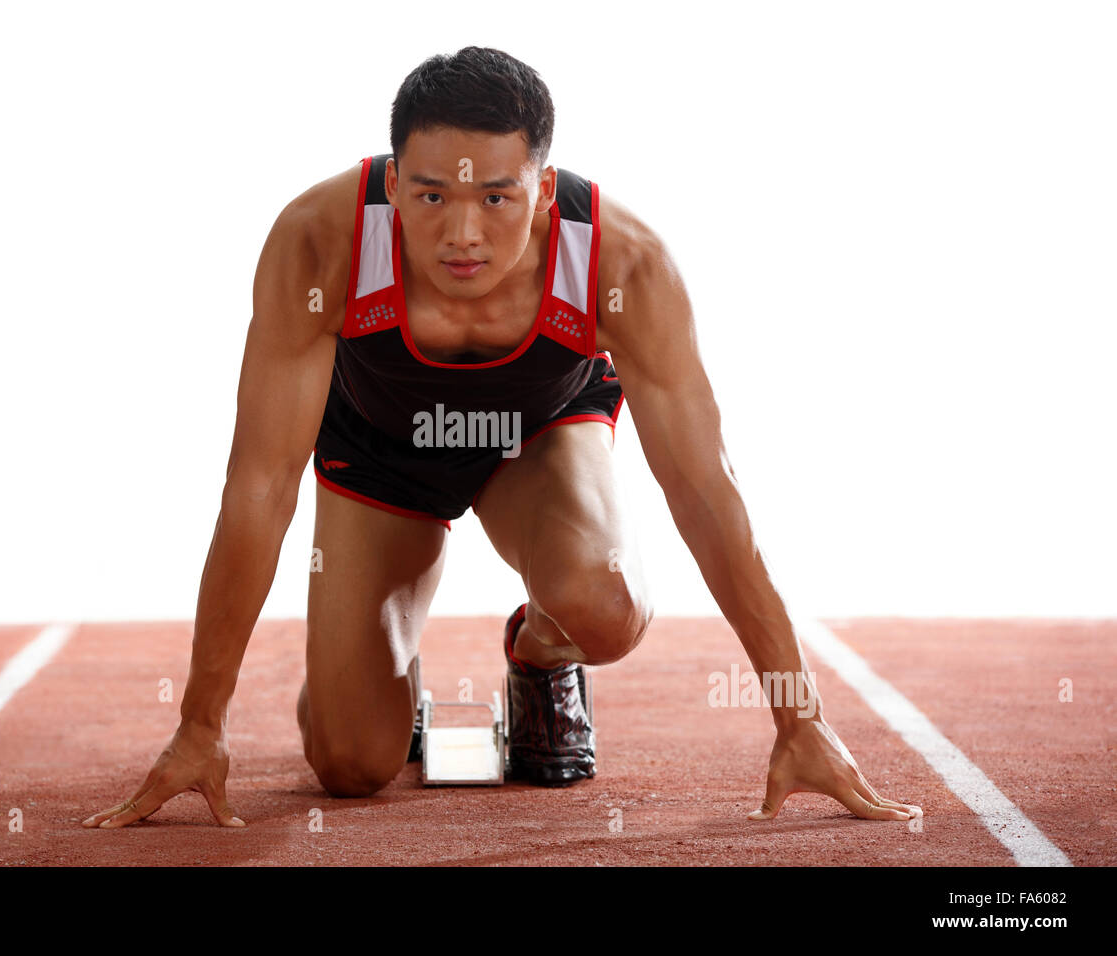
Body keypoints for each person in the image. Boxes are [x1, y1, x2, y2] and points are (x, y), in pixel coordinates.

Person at [83, 46, 922, 829]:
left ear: (545, 189)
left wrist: (798, 714)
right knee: (347, 762)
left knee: (610, 606)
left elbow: (707, 490)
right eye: (431, 196)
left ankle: (542, 651)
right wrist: (201, 720)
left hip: (539, 439)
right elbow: (259, 489)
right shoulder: (319, 242)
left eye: (496, 197)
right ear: (392, 184)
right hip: (382, 455)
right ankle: (370, 674)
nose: (462, 234)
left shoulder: (623, 265)